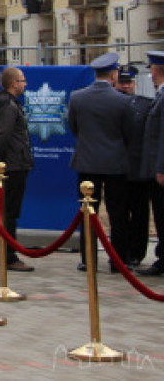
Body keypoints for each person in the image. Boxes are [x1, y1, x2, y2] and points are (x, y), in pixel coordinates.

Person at [67, 52, 131, 272]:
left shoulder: (77, 97)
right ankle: (118, 259)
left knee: (87, 212)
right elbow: (128, 133)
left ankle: (88, 259)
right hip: (116, 164)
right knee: (118, 213)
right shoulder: (123, 101)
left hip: (86, 162)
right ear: (113, 74)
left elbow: (74, 128)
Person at [0, 66, 35, 271]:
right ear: (14, 83)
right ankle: (8, 256)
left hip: (10, 163)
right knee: (10, 213)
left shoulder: (1, 104)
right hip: (13, 164)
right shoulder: (9, 107)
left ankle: (5, 253)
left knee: (9, 212)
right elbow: (2, 135)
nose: (25, 84)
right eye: (22, 80)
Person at [117, 64, 154, 269]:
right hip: (118, 169)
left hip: (139, 170)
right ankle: (122, 252)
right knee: (120, 215)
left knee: (140, 215)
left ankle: (136, 253)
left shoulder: (145, 104)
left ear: (134, 83)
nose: (125, 87)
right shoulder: (113, 104)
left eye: (128, 83)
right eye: (122, 83)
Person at [138, 51, 164, 276]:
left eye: (152, 70)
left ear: (156, 71)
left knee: (162, 214)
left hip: (161, 169)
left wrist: (161, 168)